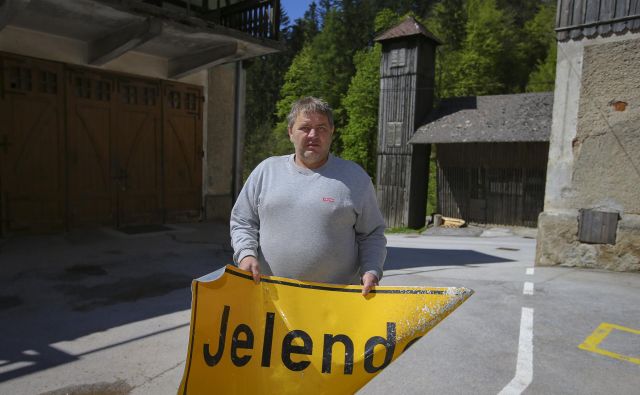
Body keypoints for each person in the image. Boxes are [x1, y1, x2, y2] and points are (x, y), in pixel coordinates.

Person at [230, 97, 386, 295]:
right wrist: (246, 255)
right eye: (305, 128)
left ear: (332, 133)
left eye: (321, 128)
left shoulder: (355, 178)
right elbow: (243, 221)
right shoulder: (266, 171)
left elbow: (372, 234)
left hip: (336, 303)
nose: (313, 135)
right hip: (270, 298)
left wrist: (372, 269)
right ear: (290, 132)